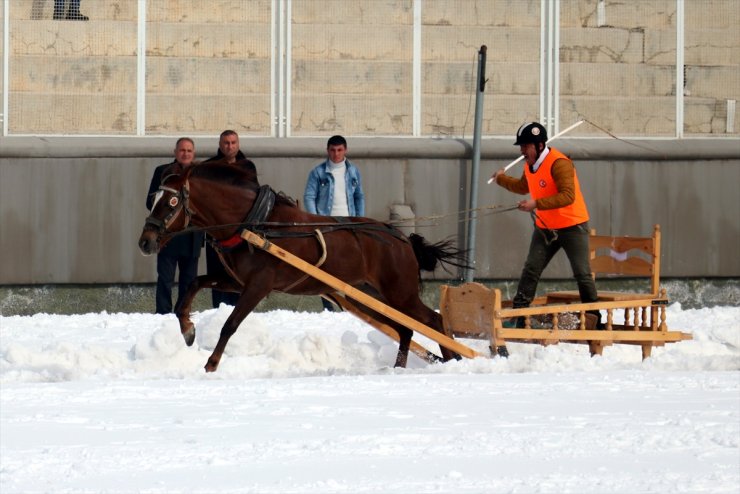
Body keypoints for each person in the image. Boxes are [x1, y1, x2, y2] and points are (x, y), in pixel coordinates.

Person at [491, 122, 600, 327]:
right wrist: (501, 179)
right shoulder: (529, 164)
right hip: (546, 226)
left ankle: (595, 318)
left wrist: (535, 203)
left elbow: (568, 196)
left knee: (582, 273)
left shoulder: (560, 163)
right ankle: (520, 315)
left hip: (572, 225)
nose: (522, 151)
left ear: (539, 145)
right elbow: (524, 186)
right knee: (531, 268)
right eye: (521, 147)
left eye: (525, 146)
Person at [303, 135, 365, 310]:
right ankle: (329, 307)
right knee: (327, 266)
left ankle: (351, 306)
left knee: (350, 264)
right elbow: (309, 197)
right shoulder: (318, 172)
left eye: (339, 150)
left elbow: (359, 196)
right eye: (332, 150)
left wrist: (359, 219)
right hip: (327, 224)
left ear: (345, 150)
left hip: (349, 223)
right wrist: (315, 220)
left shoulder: (353, 171)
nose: (336, 154)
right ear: (327, 150)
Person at [145, 137, 204, 314]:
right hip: (168, 235)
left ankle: (182, 312)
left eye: (189, 151)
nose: (185, 153)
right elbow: (151, 202)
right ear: (175, 152)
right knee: (165, 278)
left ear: (194, 154)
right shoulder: (163, 171)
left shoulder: (200, 173)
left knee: (188, 280)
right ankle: (162, 314)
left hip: (192, 235)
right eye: (182, 150)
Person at [203, 130, 258, 308]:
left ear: (238, 144)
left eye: (233, 142)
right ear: (220, 145)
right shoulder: (210, 167)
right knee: (216, 273)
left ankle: (238, 310)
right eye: (226, 143)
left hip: (240, 232)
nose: (230, 146)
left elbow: (253, 195)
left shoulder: (247, 166)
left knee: (240, 271)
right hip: (216, 232)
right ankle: (217, 310)